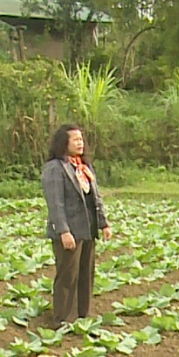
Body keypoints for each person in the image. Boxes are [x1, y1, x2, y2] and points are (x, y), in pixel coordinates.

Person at [41, 124, 113, 329]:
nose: (80, 143)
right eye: (75, 140)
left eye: (81, 139)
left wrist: (103, 223)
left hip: (87, 230)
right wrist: (63, 230)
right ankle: (62, 319)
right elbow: (56, 204)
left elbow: (95, 198)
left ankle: (83, 315)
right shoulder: (55, 168)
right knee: (67, 276)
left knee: (85, 273)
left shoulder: (84, 167)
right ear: (63, 143)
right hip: (69, 231)